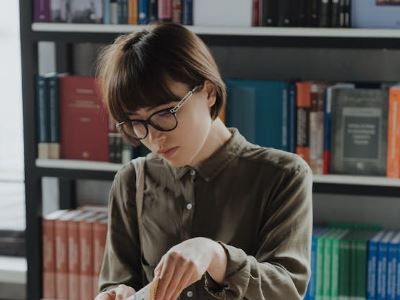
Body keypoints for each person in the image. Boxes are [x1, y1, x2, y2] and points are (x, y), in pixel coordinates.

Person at [95, 23, 313, 300]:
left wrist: (216, 256)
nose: (153, 137)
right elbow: (117, 281)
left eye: (165, 113)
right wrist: (116, 293)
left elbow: (288, 291)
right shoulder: (132, 181)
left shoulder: (283, 175)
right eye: (136, 122)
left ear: (208, 92)